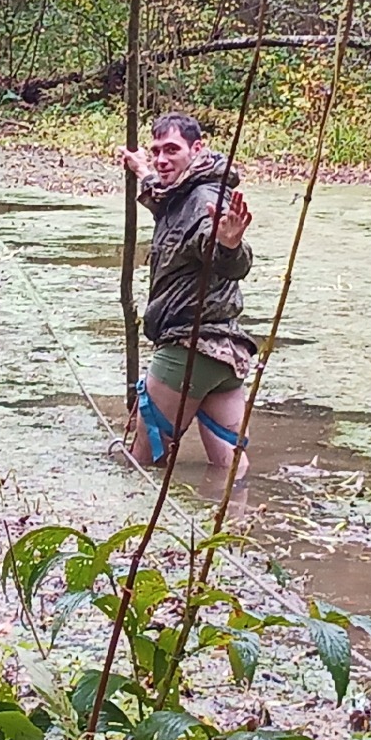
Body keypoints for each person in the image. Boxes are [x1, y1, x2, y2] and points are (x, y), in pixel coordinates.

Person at [118, 111, 256, 478]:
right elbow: (166, 201)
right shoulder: (184, 189)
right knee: (229, 473)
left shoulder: (204, 198)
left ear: (197, 149)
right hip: (223, 356)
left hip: (187, 351)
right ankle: (236, 526)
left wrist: (228, 245)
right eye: (156, 150)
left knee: (139, 465)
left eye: (172, 150)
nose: (162, 160)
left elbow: (224, 256)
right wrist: (142, 170)